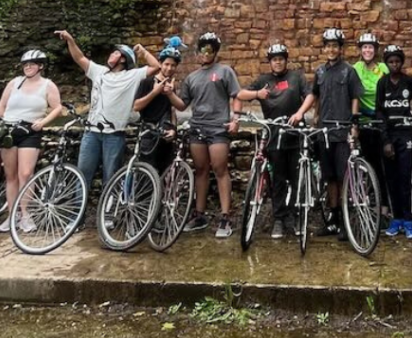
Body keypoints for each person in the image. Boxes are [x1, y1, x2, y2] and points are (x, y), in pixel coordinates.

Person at [54, 30, 159, 197]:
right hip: (91, 132)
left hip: (114, 135)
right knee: (82, 175)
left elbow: (156, 67)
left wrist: (144, 52)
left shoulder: (132, 76)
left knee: (111, 178)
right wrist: (70, 40)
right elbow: (79, 58)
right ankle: (78, 211)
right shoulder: (99, 71)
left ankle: (107, 210)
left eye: (116, 53)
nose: (111, 54)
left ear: (123, 59)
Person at [291, 27, 363, 240]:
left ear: (340, 49)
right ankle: (333, 219)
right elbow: (314, 96)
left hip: (342, 131)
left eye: (334, 46)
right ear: (324, 49)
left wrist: (354, 122)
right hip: (324, 131)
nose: (331, 49)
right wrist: (303, 113)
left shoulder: (349, 71)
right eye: (328, 46)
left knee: (343, 177)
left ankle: (345, 221)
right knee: (329, 177)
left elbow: (355, 97)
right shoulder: (320, 72)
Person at [169, 31, 241, 238]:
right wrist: (168, 93)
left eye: (210, 50)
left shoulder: (225, 71)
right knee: (200, 170)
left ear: (215, 52)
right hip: (197, 128)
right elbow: (182, 105)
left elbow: (236, 95)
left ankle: (225, 217)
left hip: (218, 128)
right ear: (197, 52)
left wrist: (235, 119)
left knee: (220, 169)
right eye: (202, 49)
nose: (205, 53)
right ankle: (199, 214)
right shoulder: (191, 78)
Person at [237, 43, 309, 238]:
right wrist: (257, 94)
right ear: (270, 62)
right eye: (274, 60)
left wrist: (300, 113)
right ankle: (279, 218)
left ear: (286, 60)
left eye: (281, 59)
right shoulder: (264, 80)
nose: (278, 62)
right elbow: (240, 94)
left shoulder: (296, 77)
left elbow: (310, 96)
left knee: (296, 178)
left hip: (294, 134)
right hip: (274, 136)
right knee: (278, 179)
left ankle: (294, 216)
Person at [0, 48, 64, 232]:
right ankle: (12, 215)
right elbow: (2, 106)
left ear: (40, 66)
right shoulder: (14, 83)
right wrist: (2, 121)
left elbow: (58, 108)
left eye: (32, 64)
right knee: (10, 176)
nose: (28, 67)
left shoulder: (48, 85)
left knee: (25, 173)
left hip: (30, 131)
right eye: (25, 64)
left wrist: (43, 122)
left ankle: (26, 214)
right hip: (9, 130)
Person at [375, 45, 412, 239]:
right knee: (391, 179)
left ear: (401, 62)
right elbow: (379, 111)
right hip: (389, 135)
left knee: (405, 177)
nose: (394, 65)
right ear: (386, 63)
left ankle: (408, 220)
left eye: (397, 61)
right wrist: (385, 140)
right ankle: (396, 218)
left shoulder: (409, 82)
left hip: (406, 134)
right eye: (391, 62)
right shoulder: (382, 83)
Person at [353, 31, 389, 220]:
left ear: (375, 50)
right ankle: (372, 205)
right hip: (365, 122)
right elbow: (352, 93)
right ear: (360, 50)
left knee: (386, 164)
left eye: (371, 47)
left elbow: (393, 84)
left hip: (382, 120)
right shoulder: (356, 68)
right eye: (365, 47)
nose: (368, 50)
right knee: (371, 165)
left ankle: (386, 207)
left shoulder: (382, 68)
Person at [132, 45, 182, 174]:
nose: (169, 68)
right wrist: (155, 92)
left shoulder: (171, 86)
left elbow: (172, 110)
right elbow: (136, 106)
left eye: (173, 65)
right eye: (166, 64)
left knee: (165, 174)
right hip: (148, 133)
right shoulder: (147, 82)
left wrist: (174, 129)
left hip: (165, 134)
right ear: (160, 64)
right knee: (146, 175)